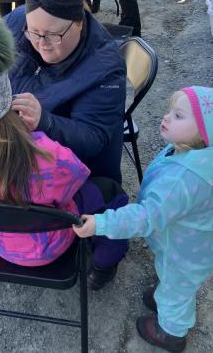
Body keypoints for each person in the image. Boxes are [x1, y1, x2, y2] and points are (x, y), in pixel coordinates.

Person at [0, 11, 128, 288]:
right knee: (110, 191)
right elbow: (78, 177)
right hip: (43, 249)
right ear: (8, 92)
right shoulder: (47, 155)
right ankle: (104, 264)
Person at [73, 86, 213, 351]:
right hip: (188, 237)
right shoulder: (194, 154)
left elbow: (147, 216)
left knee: (178, 287)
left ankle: (172, 332)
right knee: (174, 280)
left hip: (184, 249)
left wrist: (101, 223)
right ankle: (167, 296)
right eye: (171, 110)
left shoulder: (183, 180)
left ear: (205, 133)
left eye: (179, 116)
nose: (167, 117)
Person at [5, 0, 126, 185]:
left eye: (53, 35)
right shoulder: (19, 22)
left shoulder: (104, 68)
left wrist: (45, 121)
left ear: (79, 23)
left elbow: (92, 139)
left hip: (71, 175)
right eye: (33, 32)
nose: (41, 42)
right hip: (16, 152)